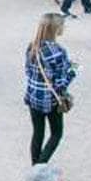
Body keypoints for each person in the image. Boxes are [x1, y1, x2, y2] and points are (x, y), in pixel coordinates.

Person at [22, 12, 76, 164]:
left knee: (38, 133)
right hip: (51, 99)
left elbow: (28, 71)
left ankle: (34, 166)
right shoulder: (58, 51)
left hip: (33, 96)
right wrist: (74, 70)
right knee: (56, 133)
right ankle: (40, 165)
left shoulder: (32, 47)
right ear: (56, 29)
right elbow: (60, 83)